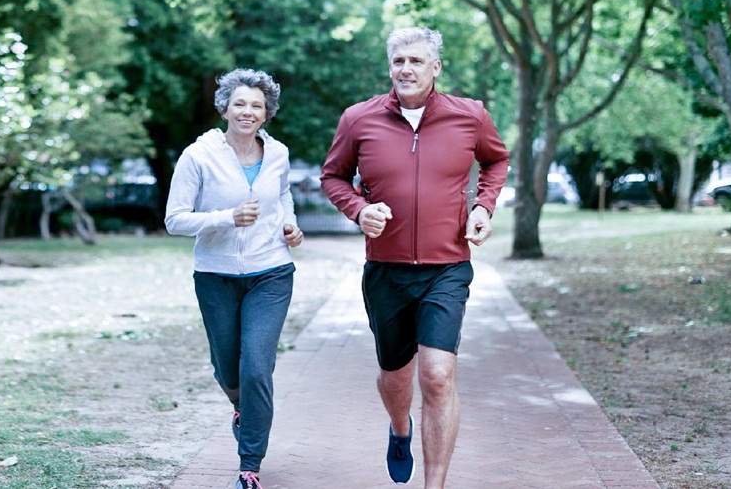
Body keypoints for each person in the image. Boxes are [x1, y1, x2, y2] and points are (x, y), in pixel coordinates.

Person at [320, 26, 509, 487]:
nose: (406, 69)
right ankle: (400, 428)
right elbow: (333, 177)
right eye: (398, 61)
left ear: (435, 67)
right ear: (390, 66)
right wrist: (360, 210)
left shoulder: (471, 116)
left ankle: (434, 484)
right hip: (385, 271)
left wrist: (483, 205)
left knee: (437, 375)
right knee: (395, 375)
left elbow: (496, 161)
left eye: (416, 61)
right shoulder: (358, 119)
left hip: (447, 267)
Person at [165, 68, 305, 489]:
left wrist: (290, 226)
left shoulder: (277, 154)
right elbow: (174, 219)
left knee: (257, 368)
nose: (248, 111)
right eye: (240, 103)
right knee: (229, 370)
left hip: (271, 273)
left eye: (257, 106)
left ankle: (250, 464)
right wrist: (227, 218)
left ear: (267, 114)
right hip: (216, 276)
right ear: (225, 107)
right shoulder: (198, 156)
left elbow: (282, 196)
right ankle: (240, 407)